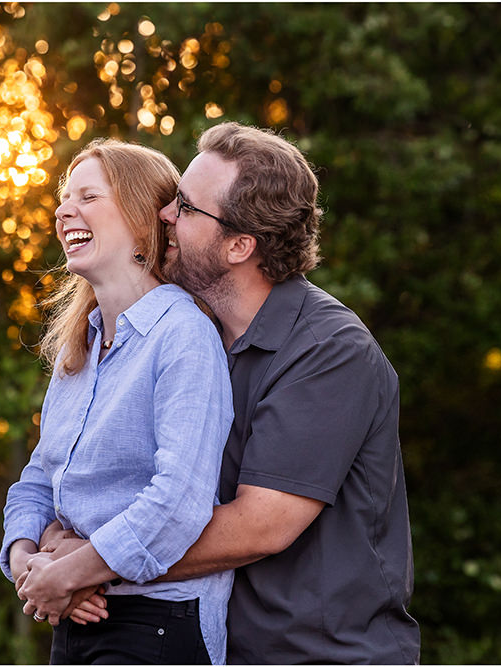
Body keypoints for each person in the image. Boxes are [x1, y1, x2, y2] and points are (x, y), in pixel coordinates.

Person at [52, 122, 421, 664]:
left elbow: (259, 525)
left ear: (239, 245)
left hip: (320, 653)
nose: (164, 215)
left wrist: (92, 565)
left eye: (186, 208)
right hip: (224, 646)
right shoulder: (190, 334)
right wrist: (61, 546)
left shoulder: (329, 351)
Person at [0, 138, 233, 665]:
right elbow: (38, 481)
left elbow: (178, 501)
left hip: (156, 625)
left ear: (140, 220)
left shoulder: (184, 336)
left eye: (87, 197)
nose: (64, 211)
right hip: (75, 619)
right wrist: (28, 564)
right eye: (63, 198)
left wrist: (72, 572)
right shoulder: (77, 349)